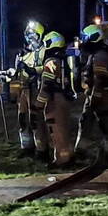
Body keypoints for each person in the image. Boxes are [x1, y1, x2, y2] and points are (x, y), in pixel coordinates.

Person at [77, 24, 108, 162]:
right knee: (86, 121)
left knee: (104, 122)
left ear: (93, 38)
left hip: (100, 95)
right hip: (94, 94)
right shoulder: (95, 54)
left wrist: (96, 96)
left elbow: (100, 79)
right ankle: (81, 150)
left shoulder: (100, 56)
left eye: (85, 38)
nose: (83, 41)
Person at [36, 31, 75, 166]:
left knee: (56, 131)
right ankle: (68, 156)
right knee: (64, 128)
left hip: (55, 100)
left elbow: (46, 84)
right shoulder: (63, 59)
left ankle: (62, 160)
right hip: (64, 98)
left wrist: (39, 103)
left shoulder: (51, 61)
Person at [14, 20, 49, 159]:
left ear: (39, 36)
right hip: (23, 90)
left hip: (36, 89)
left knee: (36, 120)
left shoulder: (44, 51)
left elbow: (46, 68)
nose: (30, 37)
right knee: (22, 119)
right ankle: (26, 147)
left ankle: (41, 150)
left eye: (33, 34)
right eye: (28, 34)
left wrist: (32, 69)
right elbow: (17, 71)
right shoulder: (23, 52)